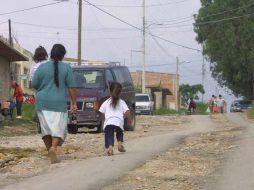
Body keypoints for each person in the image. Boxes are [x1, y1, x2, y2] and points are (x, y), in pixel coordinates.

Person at [32, 44, 77, 164]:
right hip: (58, 103)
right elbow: (72, 87)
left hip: (42, 103)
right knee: (59, 129)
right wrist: (74, 103)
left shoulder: (41, 67)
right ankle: (53, 148)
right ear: (63, 55)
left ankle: (50, 152)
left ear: (51, 54)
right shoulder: (67, 68)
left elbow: (34, 84)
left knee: (46, 130)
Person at [99, 81, 132, 156]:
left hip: (109, 121)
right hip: (119, 121)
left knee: (109, 134)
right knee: (119, 132)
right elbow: (127, 111)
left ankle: (110, 149)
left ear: (110, 91)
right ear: (120, 92)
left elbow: (101, 112)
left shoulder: (106, 102)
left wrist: (105, 119)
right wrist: (129, 119)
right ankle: (120, 144)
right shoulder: (122, 102)